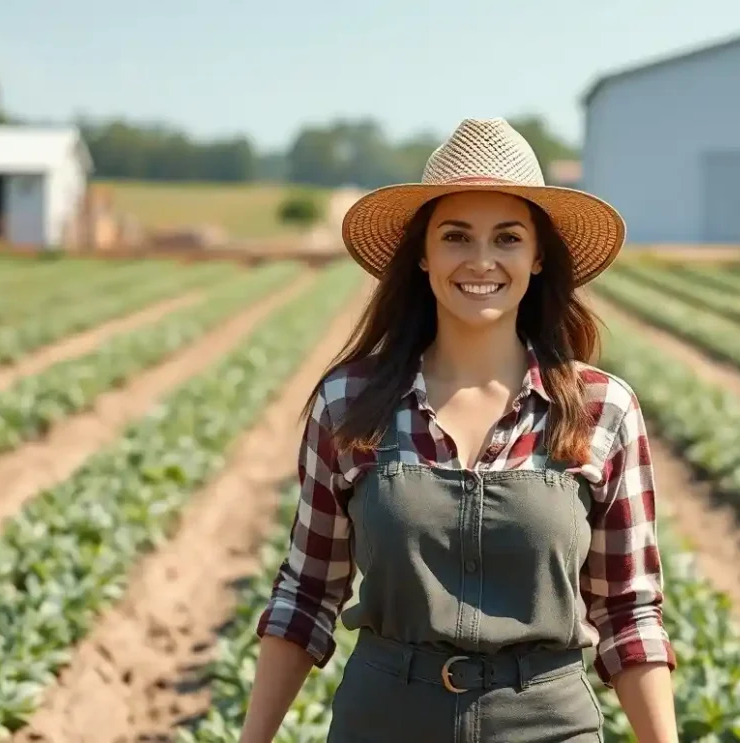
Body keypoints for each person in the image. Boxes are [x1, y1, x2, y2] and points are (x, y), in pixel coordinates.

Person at [240, 118, 678, 742]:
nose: (481, 261)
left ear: (537, 255)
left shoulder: (600, 408)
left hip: (548, 725)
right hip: (384, 721)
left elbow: (629, 612)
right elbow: (307, 594)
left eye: (506, 238)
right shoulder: (350, 404)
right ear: (422, 254)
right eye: (455, 237)